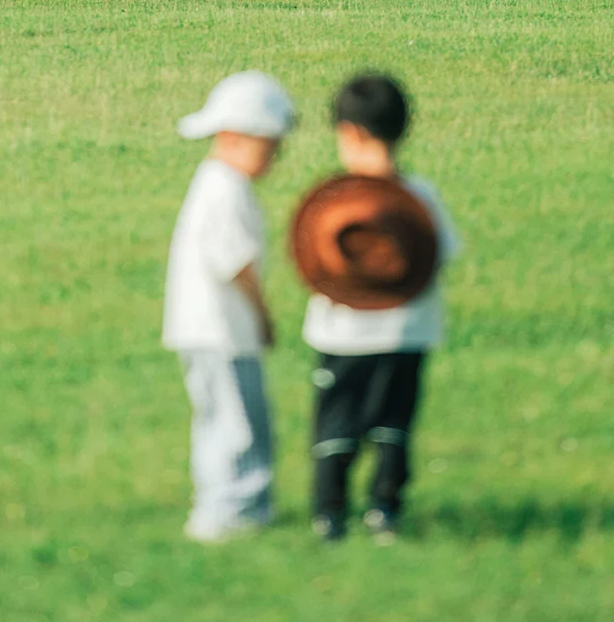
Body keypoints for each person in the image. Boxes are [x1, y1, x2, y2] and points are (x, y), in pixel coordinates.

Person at [301, 72, 459, 542]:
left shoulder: (335, 200)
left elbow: (312, 258)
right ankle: (383, 511)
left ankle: (329, 514)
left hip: (342, 334)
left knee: (337, 420)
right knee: (394, 421)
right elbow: (442, 254)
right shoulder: (420, 196)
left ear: (348, 132)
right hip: (408, 331)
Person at [162, 69, 296, 543]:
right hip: (220, 330)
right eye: (270, 146)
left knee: (224, 416)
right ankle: (231, 513)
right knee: (235, 422)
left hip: (212, 330)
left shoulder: (218, 182)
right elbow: (236, 262)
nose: (275, 157)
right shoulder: (226, 188)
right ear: (234, 136)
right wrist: (263, 314)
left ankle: (236, 507)